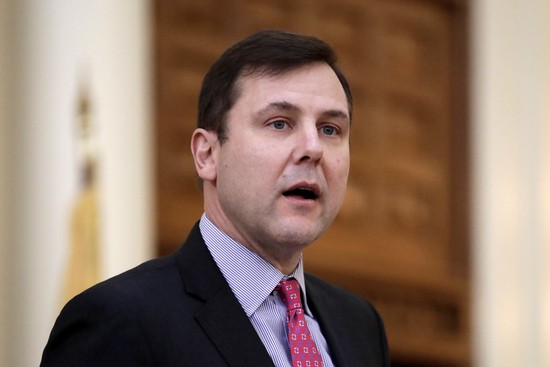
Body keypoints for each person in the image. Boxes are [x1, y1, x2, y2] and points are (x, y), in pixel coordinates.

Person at [40, 29, 390, 367]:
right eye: (280, 123)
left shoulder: (359, 325)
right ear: (207, 155)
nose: (313, 148)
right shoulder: (118, 320)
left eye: (330, 129)